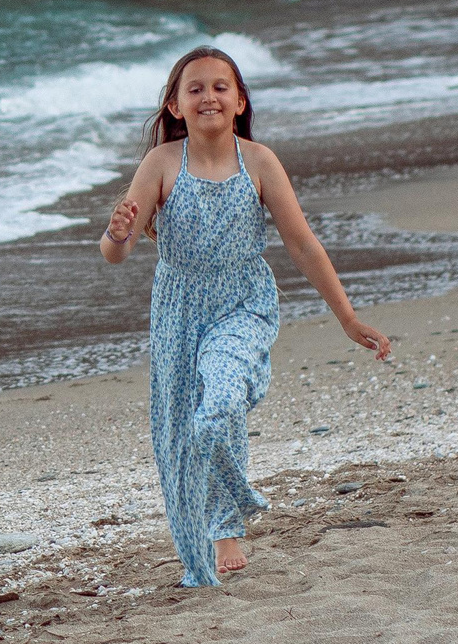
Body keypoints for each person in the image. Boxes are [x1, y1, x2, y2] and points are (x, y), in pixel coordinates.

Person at [100, 46, 391, 586]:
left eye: (220, 87)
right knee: (179, 433)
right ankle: (205, 541)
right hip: (178, 312)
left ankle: (230, 513)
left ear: (239, 101)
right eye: (195, 89)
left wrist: (347, 318)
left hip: (242, 303)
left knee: (224, 395)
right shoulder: (161, 164)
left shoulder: (259, 161)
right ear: (174, 105)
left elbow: (301, 243)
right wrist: (118, 232)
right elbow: (116, 252)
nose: (208, 95)